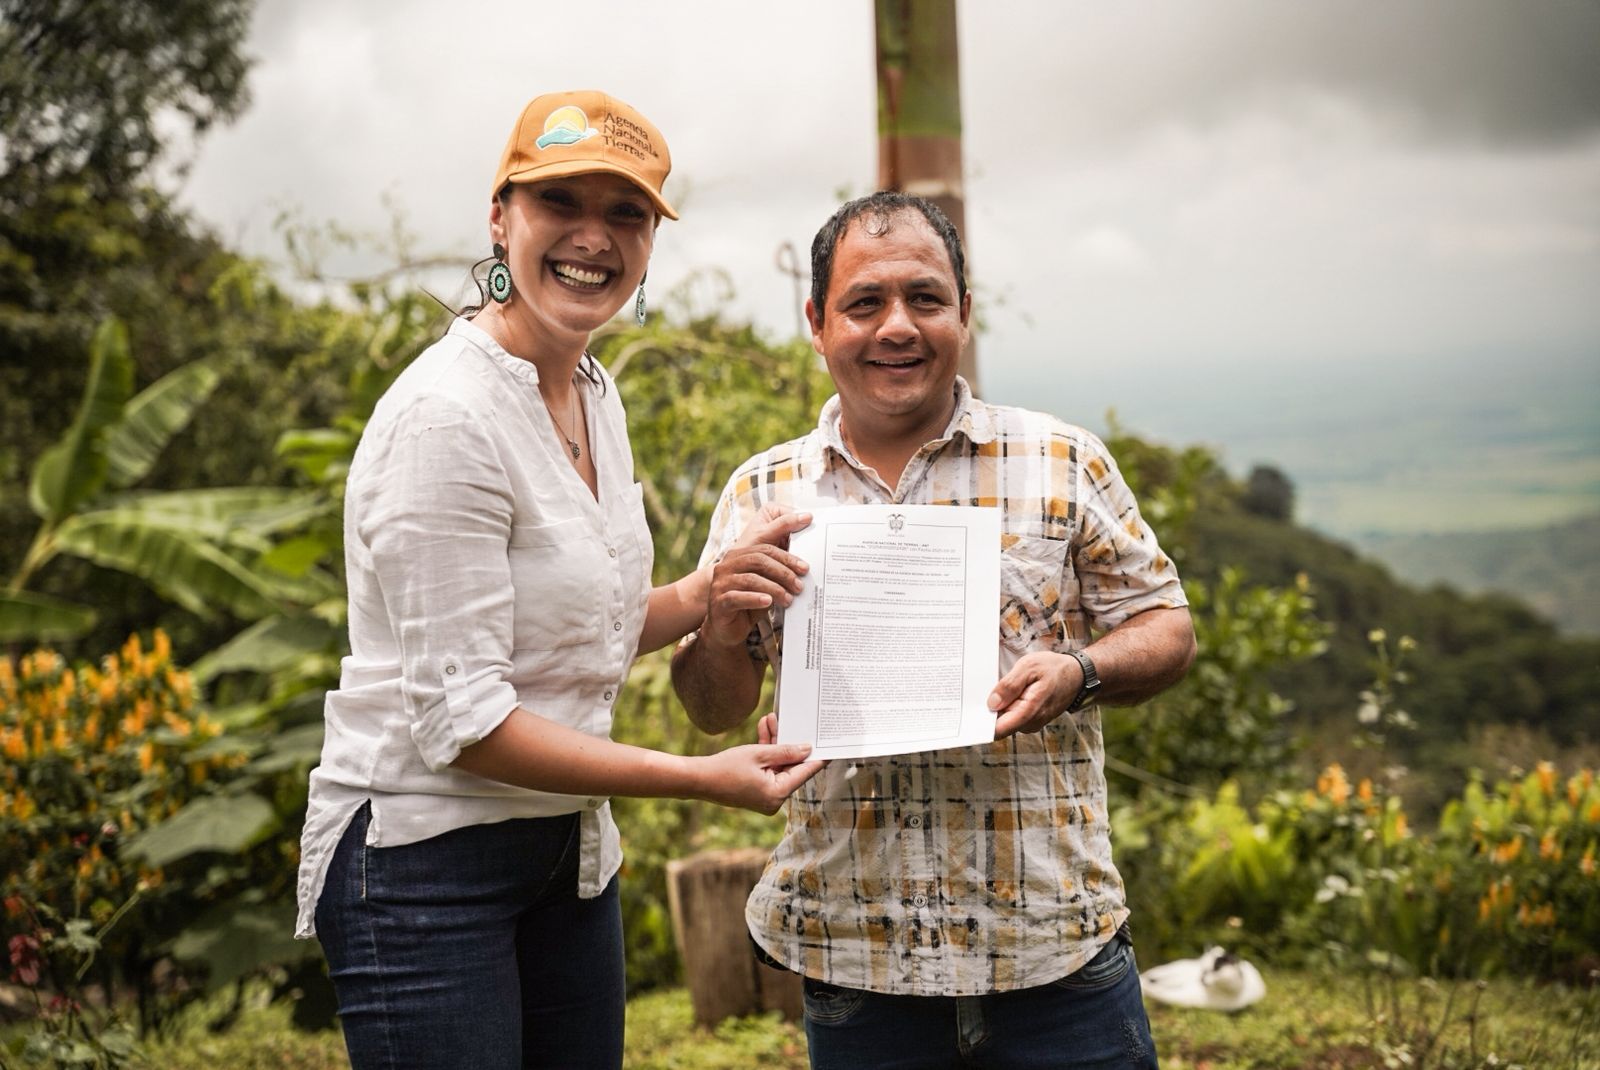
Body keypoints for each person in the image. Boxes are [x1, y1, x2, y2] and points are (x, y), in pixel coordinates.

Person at [294, 90, 822, 1070]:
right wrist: (696, 780)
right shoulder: (445, 420)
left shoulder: (590, 388)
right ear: (501, 217)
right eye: (559, 203)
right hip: (423, 860)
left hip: (568, 855)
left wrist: (714, 587)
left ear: (650, 242)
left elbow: (591, 630)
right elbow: (464, 719)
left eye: (625, 213)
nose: (593, 237)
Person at [671, 191, 1197, 1069]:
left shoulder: (1062, 462)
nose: (897, 327)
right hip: (856, 958)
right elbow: (712, 711)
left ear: (964, 309)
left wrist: (1077, 672)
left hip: (1053, 946)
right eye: (864, 303)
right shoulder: (761, 493)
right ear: (816, 321)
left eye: (924, 298)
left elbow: (1166, 627)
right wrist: (722, 635)